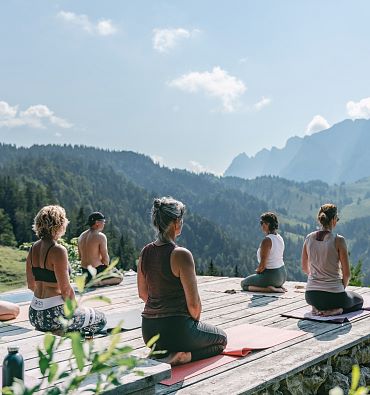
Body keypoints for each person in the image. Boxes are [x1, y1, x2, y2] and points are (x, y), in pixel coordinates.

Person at [137, 197, 227, 366]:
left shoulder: (145, 252)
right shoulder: (181, 254)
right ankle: (184, 357)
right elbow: (194, 306)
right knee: (221, 340)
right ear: (176, 222)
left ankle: (164, 353)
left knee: (175, 337)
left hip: (149, 333)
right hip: (177, 330)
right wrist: (192, 326)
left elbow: (143, 294)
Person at [26, 205, 106, 333]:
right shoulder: (58, 250)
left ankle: (62, 330)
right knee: (101, 319)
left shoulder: (32, 248)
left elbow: (31, 285)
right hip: (53, 315)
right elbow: (65, 290)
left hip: (34, 314)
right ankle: (68, 334)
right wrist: (75, 309)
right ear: (59, 224)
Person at [302, 203, 363, 316]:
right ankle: (338, 310)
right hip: (334, 296)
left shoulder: (308, 238)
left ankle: (317, 308)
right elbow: (347, 274)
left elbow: (305, 268)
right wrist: (339, 288)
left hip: (311, 296)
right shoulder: (338, 240)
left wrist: (317, 279)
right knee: (359, 300)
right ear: (334, 219)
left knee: (323, 300)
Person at [241, 212, 287, 293]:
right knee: (257, 279)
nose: (261, 225)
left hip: (272, 276)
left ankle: (269, 289)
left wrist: (258, 272)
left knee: (244, 284)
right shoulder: (279, 237)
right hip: (282, 275)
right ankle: (276, 286)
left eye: (262, 223)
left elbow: (263, 265)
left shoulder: (267, 241)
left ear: (268, 224)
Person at [78, 212, 123, 287]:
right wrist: (108, 269)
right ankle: (99, 282)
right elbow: (105, 259)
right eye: (103, 222)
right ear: (97, 223)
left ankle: (89, 281)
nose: (104, 224)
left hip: (85, 271)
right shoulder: (100, 236)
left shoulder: (81, 236)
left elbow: (80, 256)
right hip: (96, 270)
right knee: (119, 277)